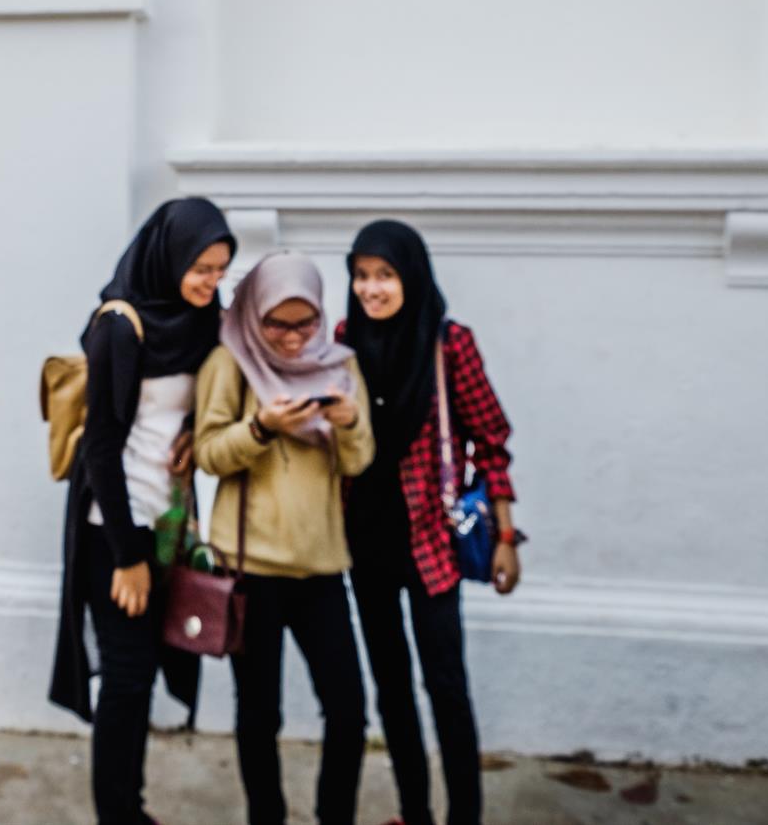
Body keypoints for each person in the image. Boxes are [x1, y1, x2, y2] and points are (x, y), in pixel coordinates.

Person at [50, 198, 236, 825]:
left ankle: (130, 808)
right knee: (127, 678)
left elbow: (189, 406)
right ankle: (119, 814)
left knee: (142, 675)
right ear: (170, 257)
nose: (210, 282)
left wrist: (192, 436)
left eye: (220, 270)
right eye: (201, 269)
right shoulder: (120, 326)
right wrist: (127, 555)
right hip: (114, 530)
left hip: (167, 527)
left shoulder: (199, 321)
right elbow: (102, 447)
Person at [339, 221, 522, 825]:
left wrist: (505, 536)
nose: (371, 288)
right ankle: (413, 813)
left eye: (385, 275)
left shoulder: (449, 345)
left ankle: (463, 816)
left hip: (431, 544)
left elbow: (490, 441)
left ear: (411, 277)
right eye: (361, 275)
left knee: (446, 687)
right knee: (391, 688)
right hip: (366, 543)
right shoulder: (342, 341)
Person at [194, 252, 372, 825]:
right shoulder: (230, 362)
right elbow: (208, 454)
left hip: (321, 567)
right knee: (258, 713)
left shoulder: (340, 364)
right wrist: (261, 428)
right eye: (278, 324)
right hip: (251, 569)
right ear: (254, 314)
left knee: (348, 710)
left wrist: (348, 424)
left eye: (306, 323)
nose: (294, 339)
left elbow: (358, 461)